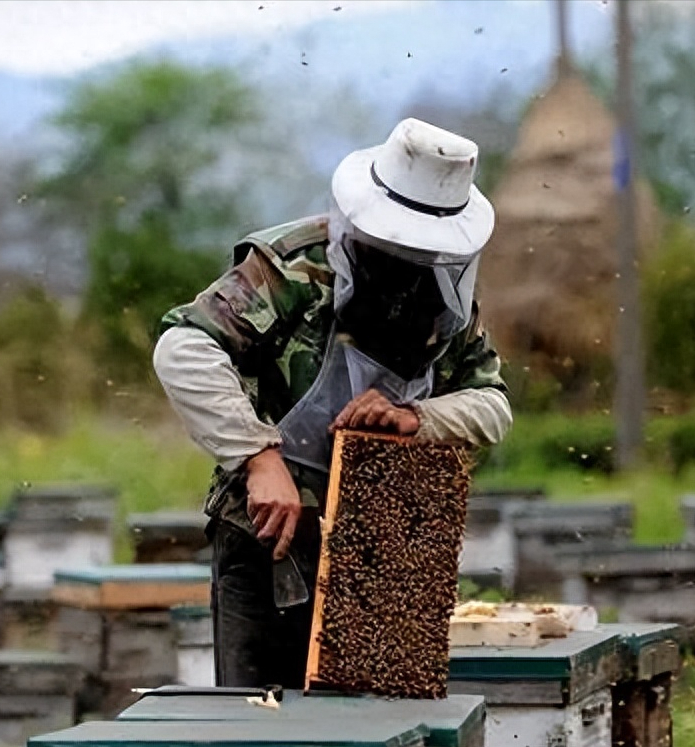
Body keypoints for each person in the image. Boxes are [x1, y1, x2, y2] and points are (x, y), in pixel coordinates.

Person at [153, 118, 513, 687]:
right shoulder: (290, 267)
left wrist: (420, 417)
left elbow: (493, 404)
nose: (408, 266)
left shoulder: (450, 303)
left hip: (386, 542)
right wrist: (256, 456)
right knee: (259, 724)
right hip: (268, 536)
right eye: (397, 247)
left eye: (425, 254)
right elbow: (182, 347)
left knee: (374, 723)